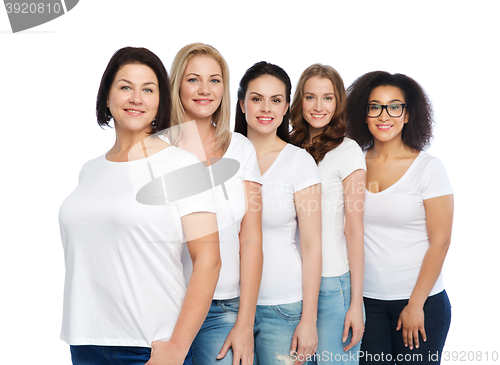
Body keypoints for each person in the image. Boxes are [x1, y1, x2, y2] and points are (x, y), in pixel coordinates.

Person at [59, 47, 221, 365]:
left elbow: (209, 261)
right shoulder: (90, 170)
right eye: (125, 87)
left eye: (148, 89)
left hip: (148, 346)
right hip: (84, 341)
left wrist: (177, 346)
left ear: (160, 100)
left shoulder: (182, 165)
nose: (136, 98)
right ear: (107, 97)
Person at [346, 71, 453, 365]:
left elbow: (440, 241)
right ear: (364, 114)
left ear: (407, 115)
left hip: (420, 303)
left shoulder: (429, 168)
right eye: (375, 106)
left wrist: (416, 304)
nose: (385, 115)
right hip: (366, 304)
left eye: (395, 106)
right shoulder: (353, 164)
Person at [168, 43, 263, 365]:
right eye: (193, 79)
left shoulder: (241, 148)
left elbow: (250, 239)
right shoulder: (155, 148)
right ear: (177, 84)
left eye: (215, 80)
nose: (205, 90)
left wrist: (245, 324)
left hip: (224, 308)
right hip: (165, 308)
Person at [235, 61, 322, 365]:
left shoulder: (299, 163)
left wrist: (308, 321)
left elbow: (312, 247)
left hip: (283, 309)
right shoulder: (221, 157)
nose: (265, 108)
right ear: (241, 103)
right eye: (257, 98)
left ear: (286, 107)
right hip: (226, 309)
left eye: (276, 100)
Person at [290, 64, 365, 364]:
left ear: (338, 104)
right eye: (310, 97)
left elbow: (354, 228)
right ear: (300, 100)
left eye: (327, 98)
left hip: (333, 284)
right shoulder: (289, 147)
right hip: (292, 284)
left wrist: (356, 303)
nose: (318, 107)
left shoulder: (348, 151)